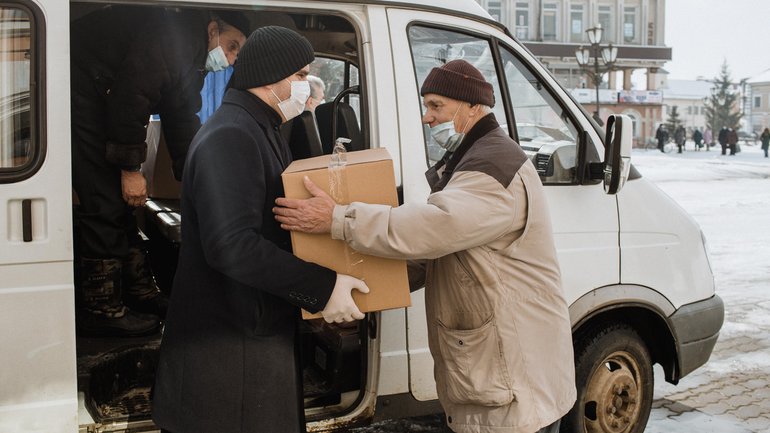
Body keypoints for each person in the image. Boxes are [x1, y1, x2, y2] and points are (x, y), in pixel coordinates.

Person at [275, 59, 576, 433]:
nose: (427, 117)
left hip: (513, 379)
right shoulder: (475, 156)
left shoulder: (492, 167)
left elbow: (432, 228)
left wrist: (337, 219)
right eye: (426, 106)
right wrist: (353, 288)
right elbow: (440, 253)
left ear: (472, 107)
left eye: (436, 106)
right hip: (501, 372)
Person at [151, 26, 368, 433]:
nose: (307, 86)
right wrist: (322, 287)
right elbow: (231, 245)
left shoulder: (257, 126)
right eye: (301, 76)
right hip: (227, 358)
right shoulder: (231, 135)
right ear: (273, 76)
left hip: (246, 340)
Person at [70, 6, 250, 336]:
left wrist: (198, 177)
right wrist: (129, 169)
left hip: (106, 93)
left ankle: (138, 292)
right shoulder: (175, 38)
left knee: (126, 204)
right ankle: (101, 309)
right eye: (232, 45)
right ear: (212, 29)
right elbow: (131, 98)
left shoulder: (191, 52)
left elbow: (182, 116)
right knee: (105, 200)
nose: (232, 58)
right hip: (83, 86)